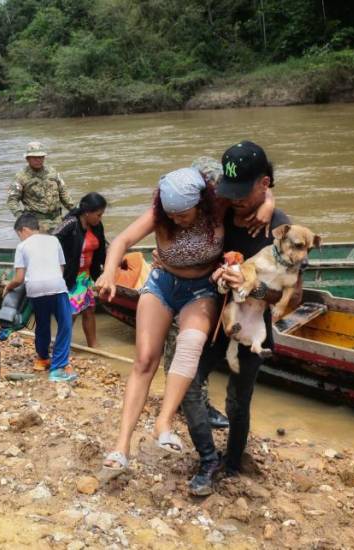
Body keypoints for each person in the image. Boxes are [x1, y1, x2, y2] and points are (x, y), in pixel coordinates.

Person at [95, 166, 275, 473]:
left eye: (183, 214)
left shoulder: (218, 205)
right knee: (145, 360)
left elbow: (257, 189)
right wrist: (109, 271)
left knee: (189, 344)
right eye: (171, 214)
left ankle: (163, 423)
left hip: (201, 290)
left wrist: (269, 204)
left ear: (202, 203)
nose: (176, 219)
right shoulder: (159, 215)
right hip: (163, 283)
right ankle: (121, 446)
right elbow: (122, 240)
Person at [181, 140, 301, 496]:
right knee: (187, 383)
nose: (235, 201)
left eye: (243, 194)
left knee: (238, 400)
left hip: (253, 328)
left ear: (264, 184)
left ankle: (233, 462)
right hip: (213, 320)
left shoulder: (280, 230)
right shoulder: (219, 210)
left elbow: (291, 298)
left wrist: (253, 290)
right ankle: (208, 457)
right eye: (229, 192)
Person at [3, 213, 75, 382]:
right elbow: (61, 268)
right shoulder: (53, 240)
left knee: (42, 324)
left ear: (24, 230)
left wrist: (8, 286)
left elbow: (19, 278)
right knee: (65, 325)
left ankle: (43, 358)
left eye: (19, 235)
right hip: (56, 286)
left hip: (34, 289)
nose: (20, 239)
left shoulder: (22, 247)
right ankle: (58, 368)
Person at [54, 192, 107, 348]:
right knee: (71, 314)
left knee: (89, 310)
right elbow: (53, 241)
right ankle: (62, 348)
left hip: (85, 276)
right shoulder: (70, 224)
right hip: (70, 277)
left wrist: (108, 270)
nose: (100, 218)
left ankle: (93, 345)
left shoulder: (97, 226)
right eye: (98, 214)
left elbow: (101, 250)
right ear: (87, 212)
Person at [6, 142, 74, 233]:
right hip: (36, 224)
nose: (38, 160)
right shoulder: (21, 177)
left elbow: (63, 193)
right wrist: (21, 217)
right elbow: (12, 200)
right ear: (27, 159)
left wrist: (75, 210)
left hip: (57, 221)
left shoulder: (52, 172)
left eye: (41, 157)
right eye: (35, 158)